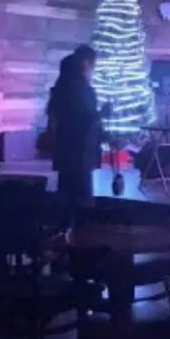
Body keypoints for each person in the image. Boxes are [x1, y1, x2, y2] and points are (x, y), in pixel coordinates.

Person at [47, 47, 109, 226]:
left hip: (64, 153)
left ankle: (63, 241)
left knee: (65, 200)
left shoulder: (59, 91)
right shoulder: (84, 91)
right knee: (82, 201)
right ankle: (82, 244)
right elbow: (85, 122)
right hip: (81, 153)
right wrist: (102, 115)